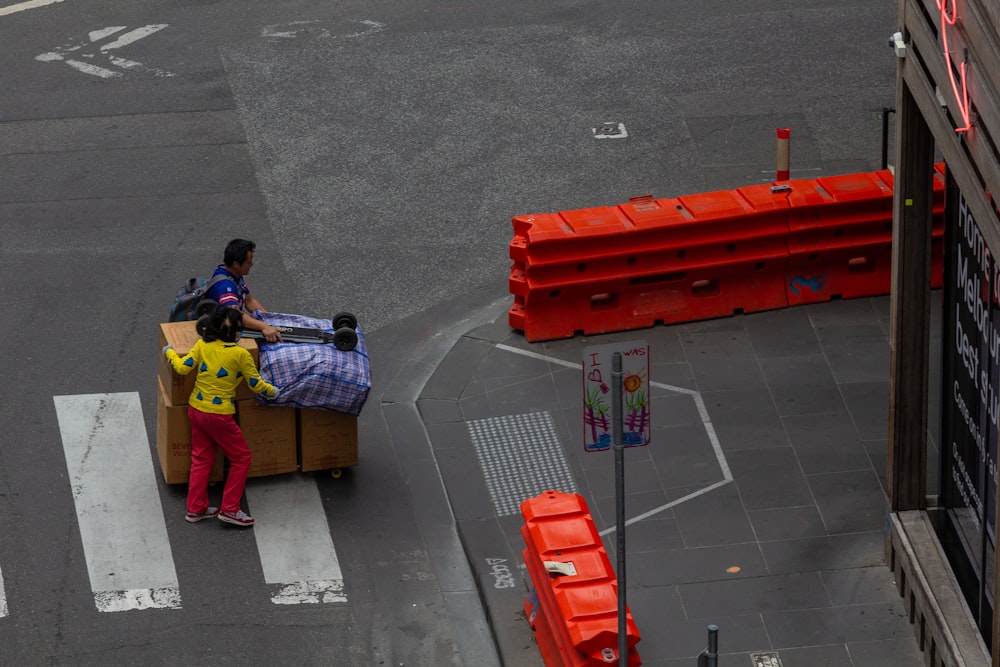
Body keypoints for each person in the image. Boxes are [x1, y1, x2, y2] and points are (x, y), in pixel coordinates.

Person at [163, 305, 279, 527]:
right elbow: (256, 385)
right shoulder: (240, 354)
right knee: (242, 458)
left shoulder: (202, 345)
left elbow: (182, 368)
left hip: (196, 410)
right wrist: (274, 391)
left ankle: (195, 509)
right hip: (219, 416)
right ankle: (230, 509)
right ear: (237, 332)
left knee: (201, 459)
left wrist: (169, 352)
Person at [205, 238, 283, 343]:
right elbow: (235, 315)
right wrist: (264, 327)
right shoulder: (226, 286)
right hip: (224, 333)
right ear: (236, 264)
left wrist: (270, 320)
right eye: (248, 262)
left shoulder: (234, 274)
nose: (252, 265)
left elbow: (249, 300)